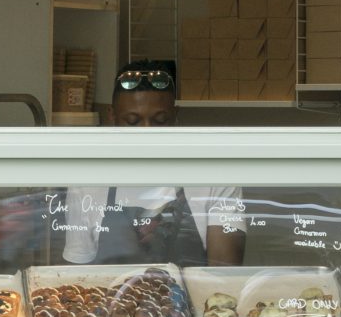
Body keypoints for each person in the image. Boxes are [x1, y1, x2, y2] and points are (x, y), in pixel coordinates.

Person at [54, 61, 248, 266]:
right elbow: (77, 273)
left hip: (191, 297)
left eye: (160, 120)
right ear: (112, 117)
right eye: (132, 121)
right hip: (111, 296)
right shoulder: (88, 180)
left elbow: (224, 274)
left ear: (175, 116)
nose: (146, 133)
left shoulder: (214, 176)